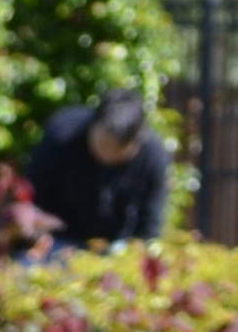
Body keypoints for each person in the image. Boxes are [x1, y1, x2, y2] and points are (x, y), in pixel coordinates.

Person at [23, 86, 170, 254]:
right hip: (57, 240)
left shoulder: (153, 154)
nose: (106, 156)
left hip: (115, 246)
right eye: (102, 145)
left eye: (117, 150)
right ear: (92, 125)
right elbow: (32, 196)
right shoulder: (62, 134)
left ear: (137, 143)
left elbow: (149, 223)